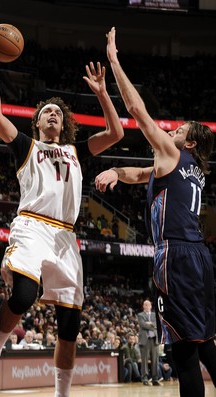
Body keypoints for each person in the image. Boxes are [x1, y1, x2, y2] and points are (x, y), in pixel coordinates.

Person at [0, 33, 124, 397]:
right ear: (37, 122)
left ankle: (62, 394)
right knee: (25, 293)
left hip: (65, 236)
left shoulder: (77, 151)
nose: (53, 114)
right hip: (32, 226)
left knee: (69, 324)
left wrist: (103, 94)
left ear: (64, 126)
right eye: (47, 111)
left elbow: (116, 132)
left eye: (59, 113)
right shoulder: (27, 147)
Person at [95, 26, 216, 397]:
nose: (172, 130)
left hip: (175, 255)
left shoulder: (174, 153)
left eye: (179, 129)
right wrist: (116, 171)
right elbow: (140, 174)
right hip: (200, 257)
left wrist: (114, 59)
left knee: (182, 352)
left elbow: (136, 109)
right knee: (206, 344)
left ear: (189, 141)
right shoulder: (189, 168)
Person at [137, 300, 160, 385]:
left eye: (148, 305)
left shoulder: (155, 315)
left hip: (154, 340)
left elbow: (158, 324)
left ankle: (155, 379)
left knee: (155, 360)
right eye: (145, 305)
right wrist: (152, 325)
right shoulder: (140, 315)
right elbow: (143, 325)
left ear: (151, 306)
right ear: (143, 306)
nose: (146, 306)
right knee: (145, 360)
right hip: (145, 340)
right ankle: (145, 378)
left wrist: (151, 324)